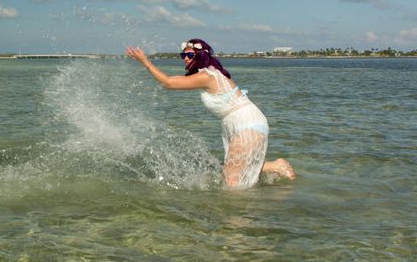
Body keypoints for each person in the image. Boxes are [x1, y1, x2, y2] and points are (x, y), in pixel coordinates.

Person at [125, 39, 295, 188]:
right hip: (239, 121)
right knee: (233, 170)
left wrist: (145, 62)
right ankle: (275, 166)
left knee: (231, 183)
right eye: (182, 55)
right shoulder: (210, 73)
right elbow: (172, 82)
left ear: (199, 56)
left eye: (189, 55)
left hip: (245, 122)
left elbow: (169, 83)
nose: (185, 58)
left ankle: (235, 222)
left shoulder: (207, 75)